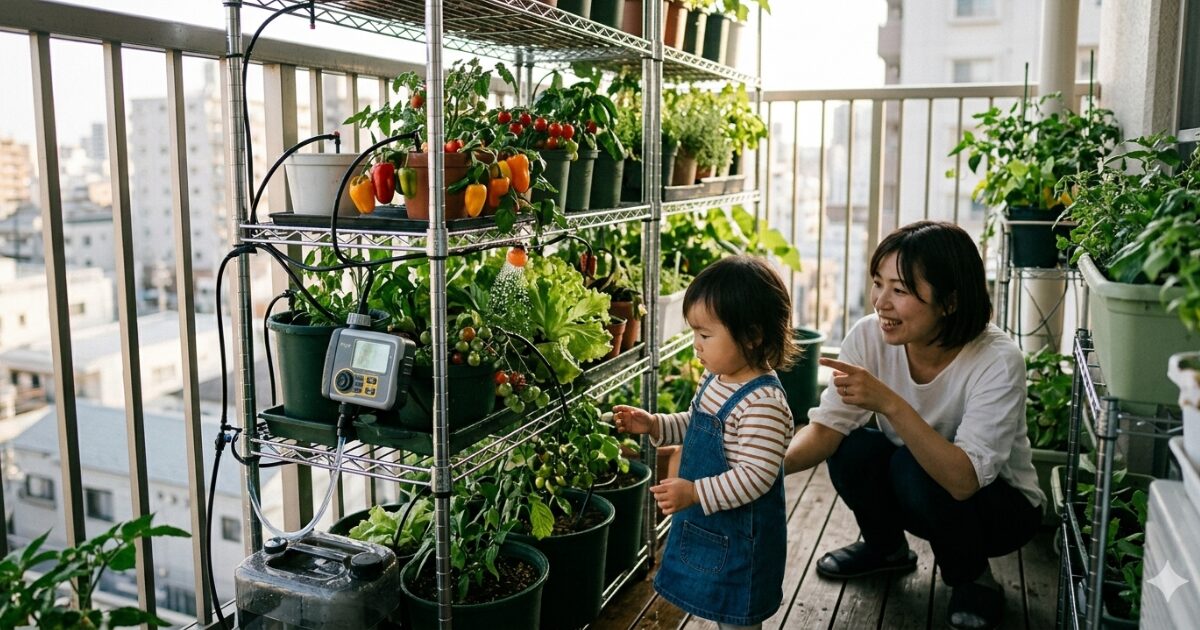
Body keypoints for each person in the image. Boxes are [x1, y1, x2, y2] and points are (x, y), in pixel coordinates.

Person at [782, 220, 1043, 630]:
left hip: (1000, 509)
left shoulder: (996, 359)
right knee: (851, 448)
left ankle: (973, 577)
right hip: (922, 490)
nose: (880, 302)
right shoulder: (869, 337)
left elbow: (964, 481)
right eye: (878, 283)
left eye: (900, 290)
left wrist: (889, 403)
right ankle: (885, 549)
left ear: (950, 302)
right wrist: (762, 468)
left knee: (910, 466)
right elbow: (826, 429)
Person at [614, 255, 797, 630]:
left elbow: (756, 478)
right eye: (695, 333)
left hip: (742, 540)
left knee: (736, 617)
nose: (695, 345)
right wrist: (653, 424)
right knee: (716, 606)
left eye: (705, 335)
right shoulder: (717, 378)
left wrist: (695, 493)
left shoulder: (763, 403)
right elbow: (697, 423)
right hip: (710, 526)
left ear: (752, 335)